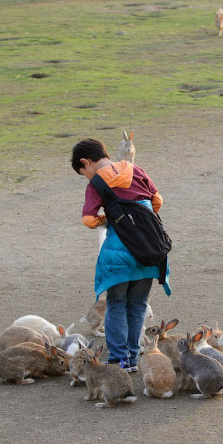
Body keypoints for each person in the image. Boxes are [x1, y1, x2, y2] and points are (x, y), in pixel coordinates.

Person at [71, 137, 171, 372]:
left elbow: (88, 220)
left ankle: (118, 358)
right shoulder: (137, 170)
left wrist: (106, 218)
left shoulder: (96, 182)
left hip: (120, 254)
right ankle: (134, 357)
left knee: (116, 304)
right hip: (149, 251)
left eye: (82, 171)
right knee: (137, 305)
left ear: (86, 162)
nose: (86, 176)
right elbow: (157, 201)